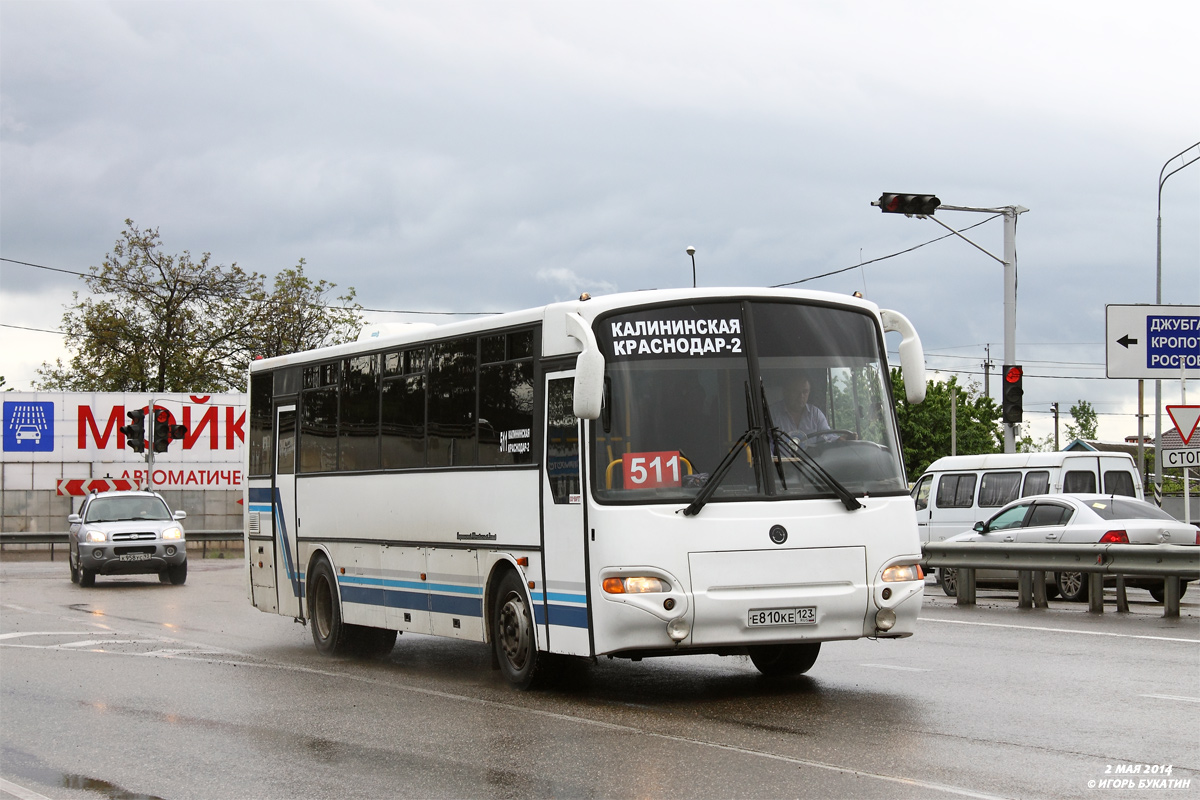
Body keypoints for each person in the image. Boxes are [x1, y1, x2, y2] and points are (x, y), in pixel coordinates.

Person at [771, 375, 831, 441]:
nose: (801, 396)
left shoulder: (815, 414)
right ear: (786, 392)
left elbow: (828, 436)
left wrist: (839, 439)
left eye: (805, 392)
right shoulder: (772, 414)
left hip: (810, 452)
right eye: (795, 391)